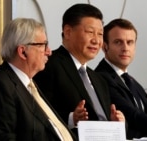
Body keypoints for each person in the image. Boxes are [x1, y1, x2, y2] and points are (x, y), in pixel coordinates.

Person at [33, 3, 125, 136]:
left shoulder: (98, 79)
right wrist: (72, 118)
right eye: (90, 32)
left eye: (100, 34)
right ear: (68, 32)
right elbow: (37, 116)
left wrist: (116, 122)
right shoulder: (48, 65)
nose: (96, 40)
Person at [0, 18, 77, 141]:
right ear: (23, 52)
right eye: (43, 45)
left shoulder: (28, 83)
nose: (49, 51)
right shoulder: (1, 85)